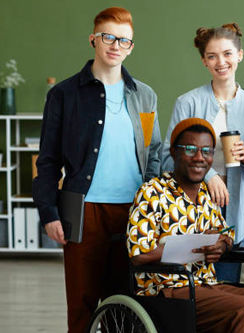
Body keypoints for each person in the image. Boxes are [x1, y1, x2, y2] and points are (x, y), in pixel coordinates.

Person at [32, 7, 161, 332]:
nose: (115, 45)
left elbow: (153, 153)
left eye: (123, 40)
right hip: (82, 212)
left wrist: (154, 207)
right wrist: (49, 212)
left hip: (134, 213)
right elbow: (47, 160)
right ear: (93, 39)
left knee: (130, 302)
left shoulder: (144, 96)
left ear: (131, 46)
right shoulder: (63, 95)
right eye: (108, 37)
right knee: (82, 303)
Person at [127, 118, 244, 333]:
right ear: (175, 153)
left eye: (207, 151)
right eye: (190, 149)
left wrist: (220, 247)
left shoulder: (206, 195)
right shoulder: (152, 192)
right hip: (169, 290)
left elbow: (224, 234)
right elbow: (138, 254)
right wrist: (187, 248)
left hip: (207, 285)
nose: (199, 157)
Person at [160, 23, 244, 282]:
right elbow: (166, 155)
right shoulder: (188, 102)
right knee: (188, 290)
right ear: (204, 61)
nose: (221, 62)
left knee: (225, 287)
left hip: (233, 210)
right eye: (212, 56)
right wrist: (209, 176)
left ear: (240, 55)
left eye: (228, 54)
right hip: (187, 209)